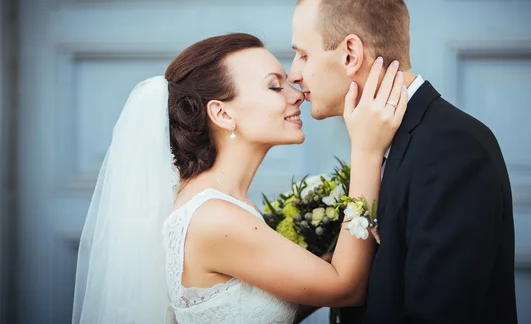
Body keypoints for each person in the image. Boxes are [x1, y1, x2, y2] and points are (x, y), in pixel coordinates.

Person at [71, 33, 409, 324]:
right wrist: (365, 151)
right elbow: (346, 288)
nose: (296, 95)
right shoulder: (214, 218)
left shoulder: (222, 203)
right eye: (275, 86)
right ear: (222, 113)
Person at [288, 0, 519, 323]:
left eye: (303, 54)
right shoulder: (377, 141)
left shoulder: (454, 149)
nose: (293, 74)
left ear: (350, 53)